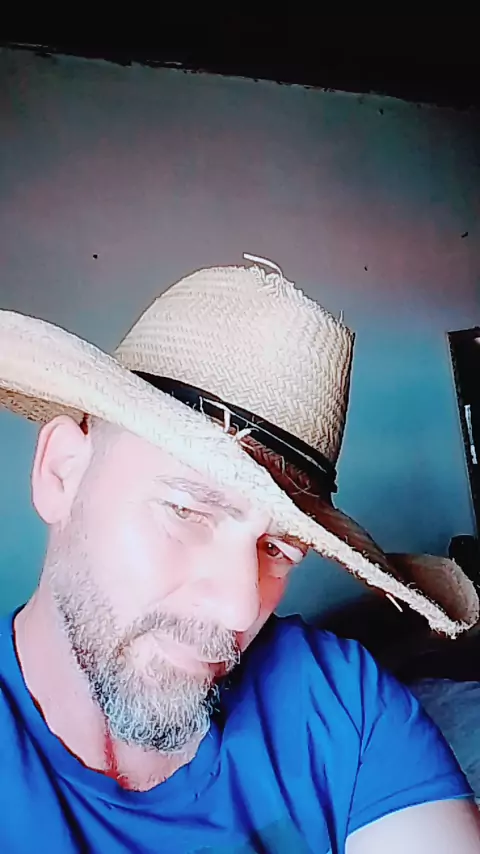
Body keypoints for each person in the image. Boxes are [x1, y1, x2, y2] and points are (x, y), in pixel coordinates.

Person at [0, 254, 479, 853]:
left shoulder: (344, 701)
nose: (239, 608)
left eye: (278, 547)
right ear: (62, 473)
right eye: (187, 511)